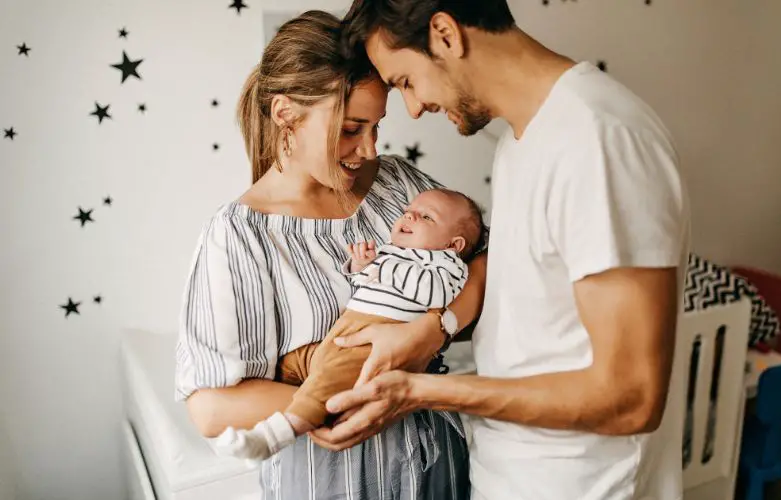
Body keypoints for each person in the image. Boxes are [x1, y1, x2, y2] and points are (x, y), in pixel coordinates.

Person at [317, 1, 692, 499]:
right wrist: (437, 327)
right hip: (516, 474)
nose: (413, 107)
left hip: (587, 485)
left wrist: (421, 392)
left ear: (446, 34)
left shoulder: (597, 139)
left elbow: (631, 398)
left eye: (406, 81)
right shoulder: (521, 139)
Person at [174, 10, 487, 499]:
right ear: (285, 115)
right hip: (332, 481)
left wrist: (434, 330)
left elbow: (485, 264)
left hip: (437, 463)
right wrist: (356, 398)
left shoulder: (399, 186)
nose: (367, 149)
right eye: (350, 129)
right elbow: (211, 408)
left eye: (376, 128)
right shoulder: (240, 236)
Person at [212, 188, 486, 461]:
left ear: (454, 244)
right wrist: (360, 266)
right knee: (293, 362)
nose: (410, 217)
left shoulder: (447, 265)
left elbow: (433, 294)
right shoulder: (392, 252)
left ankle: (271, 438)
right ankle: (283, 407)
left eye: (425, 217)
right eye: (407, 212)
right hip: (345, 332)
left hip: (373, 344)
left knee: (325, 384)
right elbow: (364, 285)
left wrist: (382, 266)